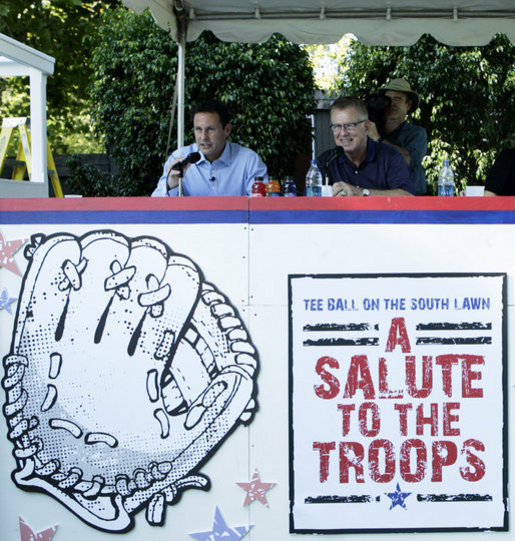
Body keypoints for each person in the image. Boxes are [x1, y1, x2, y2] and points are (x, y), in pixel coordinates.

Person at [152, 99, 267, 196]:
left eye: (210, 129)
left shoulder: (249, 161)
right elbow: (155, 209)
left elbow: (264, 209)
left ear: (227, 130)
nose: (203, 137)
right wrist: (170, 185)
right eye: (198, 129)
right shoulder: (180, 159)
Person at [317, 96, 414, 196]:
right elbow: (311, 201)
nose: (343, 133)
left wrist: (361, 193)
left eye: (350, 125)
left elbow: (408, 197)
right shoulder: (326, 161)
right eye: (337, 126)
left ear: (367, 127)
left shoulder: (390, 156)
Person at [368, 78, 428, 195]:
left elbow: (407, 160)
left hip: (411, 201)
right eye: (388, 99)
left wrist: (378, 139)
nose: (392, 104)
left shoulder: (417, 133)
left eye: (398, 99)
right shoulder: (371, 129)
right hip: (380, 199)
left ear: (408, 105)